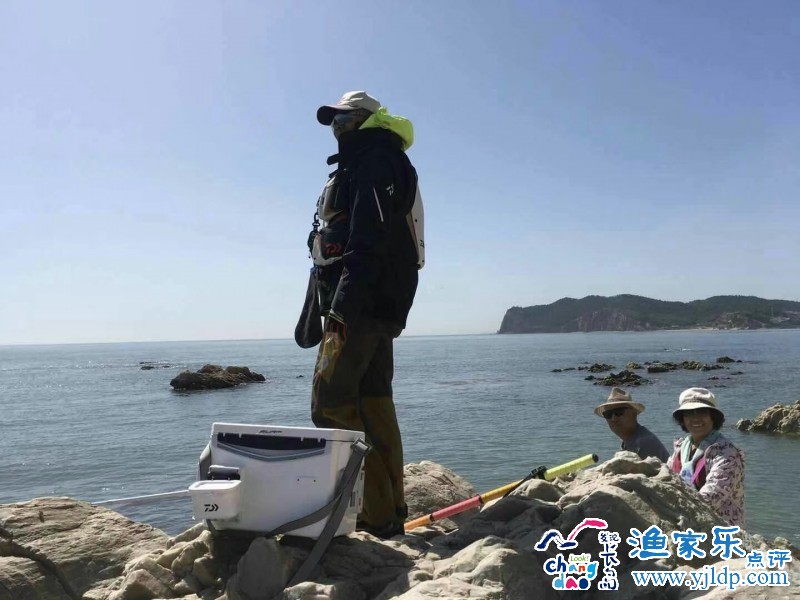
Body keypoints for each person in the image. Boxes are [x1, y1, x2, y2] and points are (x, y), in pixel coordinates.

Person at [308, 91, 423, 539]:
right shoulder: (381, 160)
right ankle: (389, 511)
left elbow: (367, 239)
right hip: (379, 306)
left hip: (359, 305)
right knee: (374, 406)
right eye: (333, 121)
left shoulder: (374, 161)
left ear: (367, 119)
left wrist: (342, 306)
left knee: (330, 404)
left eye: (344, 118)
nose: (337, 127)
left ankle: (376, 513)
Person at [667, 387, 745, 527]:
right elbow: (666, 478)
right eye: (689, 414)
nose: (696, 418)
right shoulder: (681, 447)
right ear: (682, 419)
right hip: (684, 521)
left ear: (713, 417)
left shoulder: (727, 452)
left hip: (720, 529)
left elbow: (713, 495)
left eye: (702, 412)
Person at [594, 387, 669, 462]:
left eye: (619, 412)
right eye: (608, 414)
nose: (613, 418)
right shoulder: (631, 440)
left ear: (633, 414)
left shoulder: (643, 442)